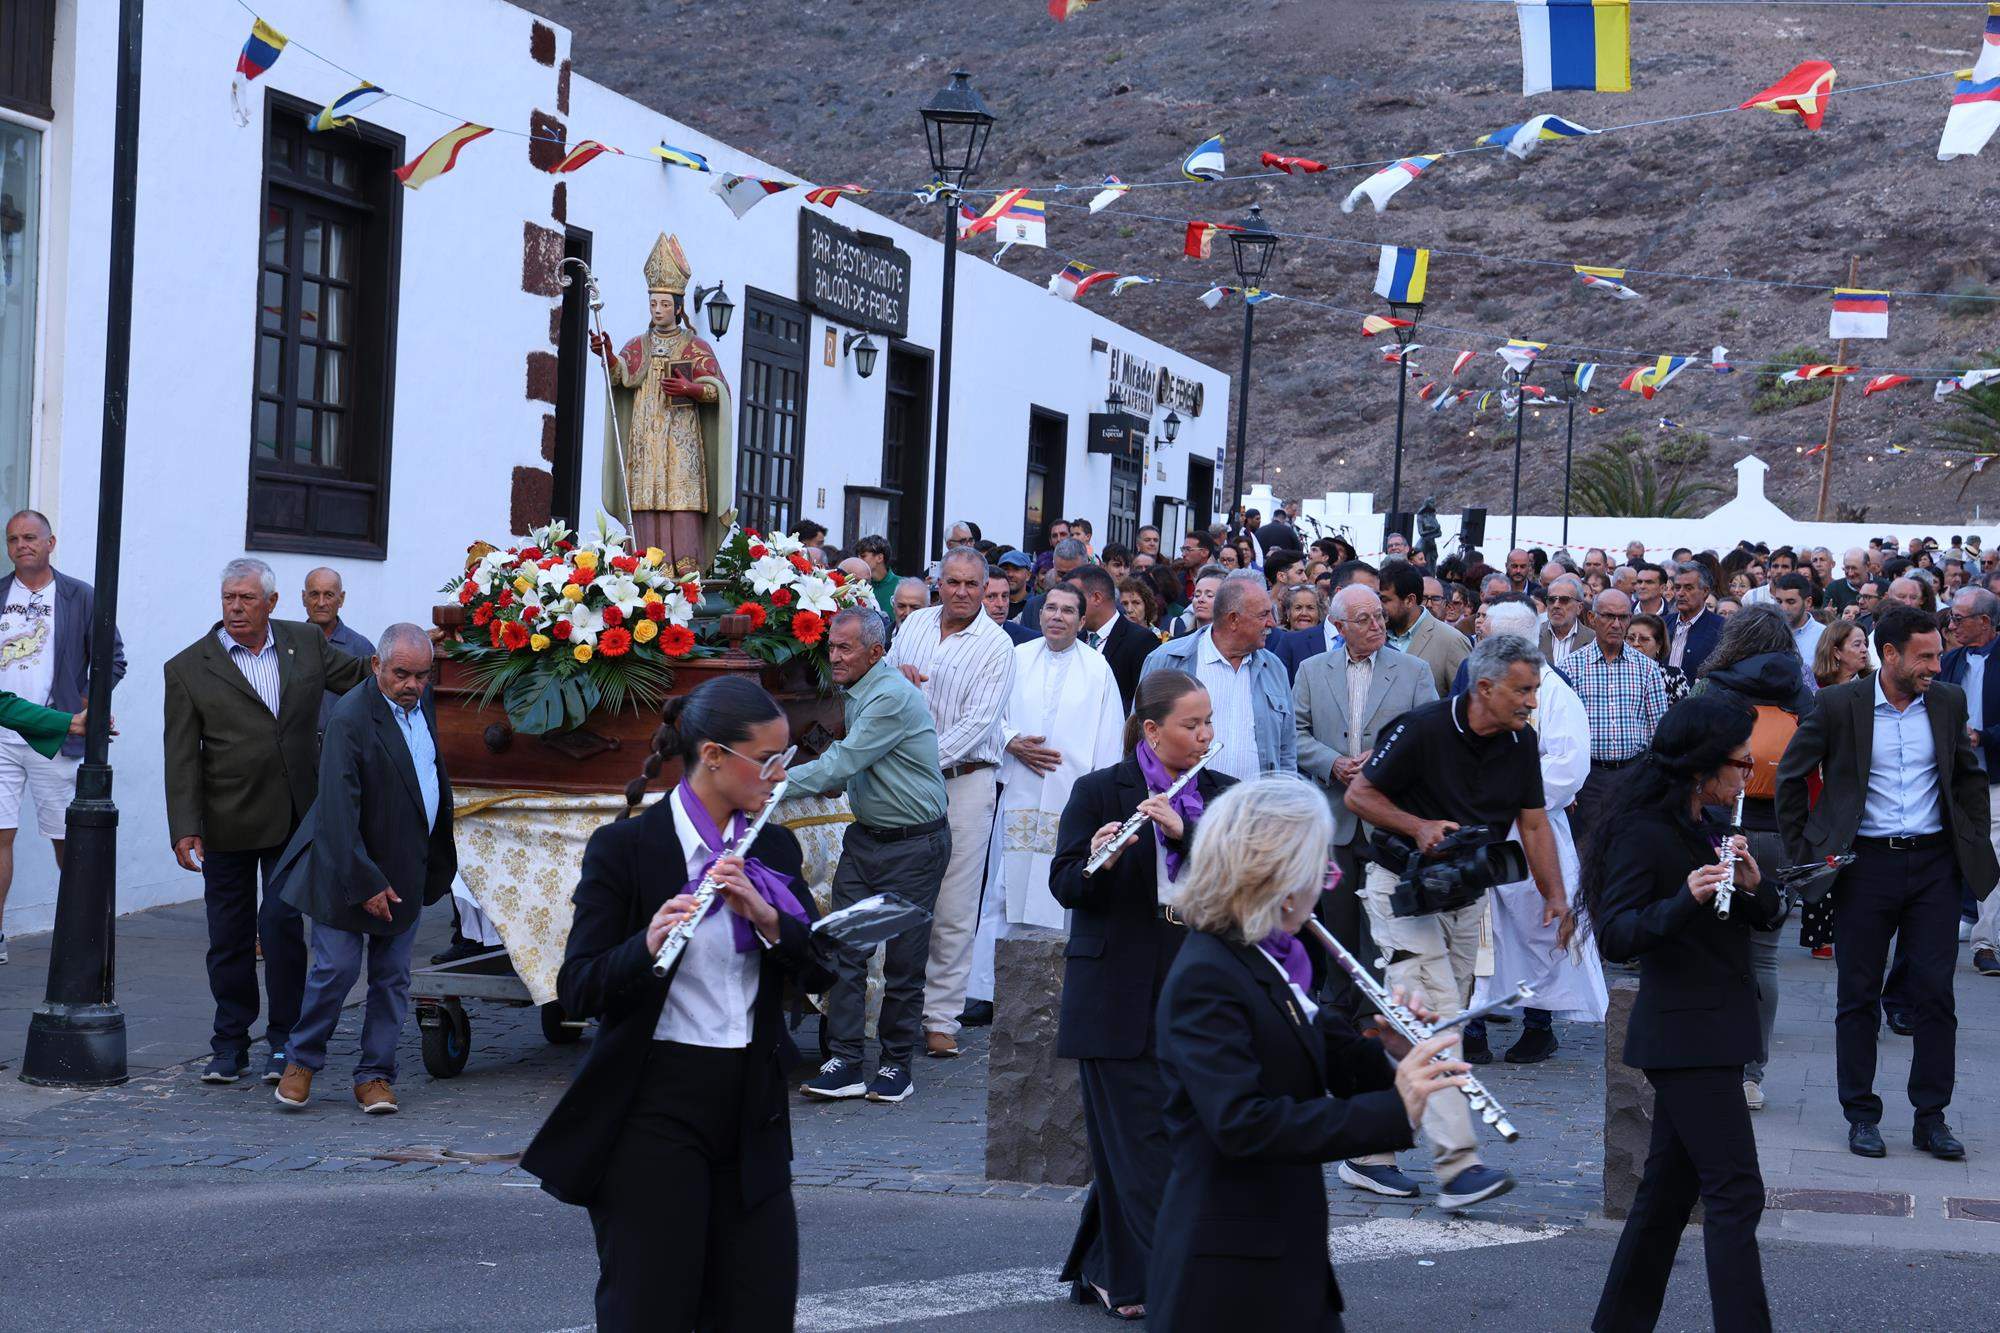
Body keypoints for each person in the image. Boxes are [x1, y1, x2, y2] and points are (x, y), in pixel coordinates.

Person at [520, 677, 830, 1332]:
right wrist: (647, 942)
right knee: (650, 1308)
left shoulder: (773, 847)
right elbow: (577, 987)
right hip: (653, 1106)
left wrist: (771, 918)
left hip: (753, 1105)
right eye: (766, 760)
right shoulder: (628, 848)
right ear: (714, 755)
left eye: (785, 760)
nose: (778, 775)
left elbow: (819, 969)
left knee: (759, 1309)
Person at [1146, 775, 1469, 1333]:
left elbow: (1318, 1049)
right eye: (1320, 870)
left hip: (1280, 1253)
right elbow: (1242, 1124)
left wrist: (1388, 1044)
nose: (1328, 885)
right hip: (1227, 1274)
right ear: (1278, 878)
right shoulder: (1209, 975)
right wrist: (1397, 1106)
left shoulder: (1276, 956)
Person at [1340, 634, 1569, 1209]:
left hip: (1468, 897)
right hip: (1402, 891)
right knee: (1436, 1020)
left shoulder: (1521, 742)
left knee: (1427, 1026)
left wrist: (1556, 897)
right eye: (1523, 690)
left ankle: (1368, 1152)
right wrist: (1418, 826)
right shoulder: (1421, 728)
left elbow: (1535, 825)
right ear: (1484, 688)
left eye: (1534, 689)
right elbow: (1359, 796)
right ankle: (1459, 1165)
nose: (1531, 702)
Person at [1584, 693, 1780, 1333]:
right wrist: (1682, 900)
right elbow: (1617, 934)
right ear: (1700, 764)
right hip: (1684, 1033)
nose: (1745, 776)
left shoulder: (1713, 826)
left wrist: (1752, 887)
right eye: (1738, 764)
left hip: (1718, 1024)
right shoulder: (1645, 831)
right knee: (1736, 1191)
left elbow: (1758, 916)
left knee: (1666, 1196)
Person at [1777, 604, 1996, 1161]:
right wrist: (1810, 853)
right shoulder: (1838, 704)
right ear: (1890, 654)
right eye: (1925, 657)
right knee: (1857, 994)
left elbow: (1967, 778)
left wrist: (1970, 844)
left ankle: (1932, 1117)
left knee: (1935, 994)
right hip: (1863, 866)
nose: (1935, 666)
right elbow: (1792, 774)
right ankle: (1861, 1114)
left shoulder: (1946, 702)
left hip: (1932, 867)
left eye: (1938, 655)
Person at [1050, 670, 1232, 1320]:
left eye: (1209, 721)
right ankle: (1150, 1279)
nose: (1206, 734)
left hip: (1197, 986)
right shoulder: (1101, 790)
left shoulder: (1224, 795)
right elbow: (1066, 883)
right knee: (1138, 1139)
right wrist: (1100, 856)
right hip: (1116, 985)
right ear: (1151, 729)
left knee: (1171, 1136)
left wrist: (1189, 834)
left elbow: (1248, 883)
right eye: (1192, 724)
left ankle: (1102, 1268)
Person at [164, 557, 369, 1085]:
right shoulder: (189, 667)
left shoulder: (304, 642)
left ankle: (285, 1040)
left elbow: (361, 678)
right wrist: (185, 825)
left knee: (280, 926)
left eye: (247, 598)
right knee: (228, 937)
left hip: (295, 816)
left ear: (271, 603)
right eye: (229, 598)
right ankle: (229, 1042)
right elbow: (182, 754)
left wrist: (409, 657)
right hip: (226, 819)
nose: (235, 607)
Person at [271, 624, 454, 1115]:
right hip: (345, 864)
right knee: (336, 969)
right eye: (401, 674)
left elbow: (426, 776)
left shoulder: (423, 702)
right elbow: (336, 811)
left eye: (421, 675)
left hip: (406, 864)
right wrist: (366, 880)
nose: (412, 685)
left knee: (392, 977)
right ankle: (302, 1060)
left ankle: (375, 1074)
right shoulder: (352, 717)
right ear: (376, 666)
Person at [1292, 584, 1436, 1143]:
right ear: (1340, 625)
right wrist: (1334, 765)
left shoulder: (1414, 671)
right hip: (1333, 814)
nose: (1376, 625)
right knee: (1334, 925)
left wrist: (1376, 767)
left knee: (1382, 927)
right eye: (1363, 619)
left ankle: (1378, 1024)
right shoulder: (1311, 671)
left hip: (1386, 815)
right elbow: (1297, 735)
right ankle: (1338, 1022)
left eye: (1379, 616)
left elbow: (1422, 734)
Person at [788, 608, 950, 1101]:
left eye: (844, 649)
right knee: (845, 952)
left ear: (875, 653)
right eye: (831, 646)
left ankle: (896, 1065)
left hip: (914, 846)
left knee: (903, 961)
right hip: (866, 840)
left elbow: (843, 761)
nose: (833, 657)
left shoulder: (890, 696)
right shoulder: (862, 689)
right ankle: (847, 1062)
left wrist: (769, 783)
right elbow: (850, 767)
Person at [965, 583, 1123, 1023]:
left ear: (1082, 618)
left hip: (1070, 797)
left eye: (1067, 610)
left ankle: (1051, 987)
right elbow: (987, 717)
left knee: (1059, 892)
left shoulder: (1098, 670)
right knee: (1003, 888)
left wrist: (1102, 800)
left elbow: (1110, 739)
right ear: (1040, 614)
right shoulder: (1014, 659)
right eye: (1050, 608)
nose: (1057, 616)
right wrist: (1012, 742)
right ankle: (985, 990)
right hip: (1018, 790)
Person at [881, 550, 1014, 1060]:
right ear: (938, 582)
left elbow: (980, 724)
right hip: (903, 779)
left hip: (963, 781)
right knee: (900, 892)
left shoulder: (997, 646)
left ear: (986, 589)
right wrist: (899, 678)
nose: (961, 592)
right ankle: (891, 1008)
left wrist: (915, 759)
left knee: (954, 903)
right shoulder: (913, 625)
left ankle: (941, 1018)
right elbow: (884, 682)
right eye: (952, 582)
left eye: (971, 585)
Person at [1461, 611, 1606, 1070]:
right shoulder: (1477, 689)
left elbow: (1570, 764)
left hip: (1532, 832)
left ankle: (1538, 1027)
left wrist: (1511, 794)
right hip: (1479, 828)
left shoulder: (1555, 695)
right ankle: (1474, 1025)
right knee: (1481, 931)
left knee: (1539, 930)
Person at [1692, 604, 1815, 1111]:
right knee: (1764, 957)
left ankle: (1710, 1058)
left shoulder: (1713, 687)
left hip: (1719, 829)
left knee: (1710, 949)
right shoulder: (1803, 695)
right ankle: (1751, 1073)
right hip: (1783, 834)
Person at [0, 508, 125, 965]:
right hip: (1, 735)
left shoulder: (79, 597)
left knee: (65, 837)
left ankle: (84, 932)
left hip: (55, 734)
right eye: (13, 539)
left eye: (31, 537)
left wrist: (88, 707)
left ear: (51, 543)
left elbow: (112, 658)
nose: (22, 546)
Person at [1141, 572, 1294, 781]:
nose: (1272, 623)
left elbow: (1286, 750)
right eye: (1263, 615)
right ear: (1233, 620)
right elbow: (1140, 738)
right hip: (1183, 806)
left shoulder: (1274, 669)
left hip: (1256, 807)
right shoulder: (1167, 660)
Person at [1568, 589, 1670, 852]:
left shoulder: (1647, 668)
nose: (1616, 624)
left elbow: (1659, 730)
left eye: (1623, 617)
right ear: (1592, 618)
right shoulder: (1571, 667)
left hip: (1632, 774)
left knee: (1630, 849)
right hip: (1588, 778)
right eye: (1608, 616)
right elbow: (1564, 731)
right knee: (1586, 850)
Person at [1941, 588, 2000, 978]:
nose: (1951, 625)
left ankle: (1986, 943)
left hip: (1995, 776)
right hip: (1953, 777)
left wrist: (1984, 736)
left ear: (1985, 621)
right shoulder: (1948, 661)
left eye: (1959, 618)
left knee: (1991, 854)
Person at [1381, 558, 1470, 697]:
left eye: (1385, 600)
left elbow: (1465, 702)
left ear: (1409, 600)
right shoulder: (1375, 635)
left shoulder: (1451, 641)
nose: (1379, 606)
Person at [1073, 564, 1154, 711]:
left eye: (1075, 598)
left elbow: (1144, 703)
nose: (1070, 604)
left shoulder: (1141, 640)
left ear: (1097, 598)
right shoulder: (1075, 638)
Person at [1665, 565, 1722, 678]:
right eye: (1677, 587)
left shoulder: (1721, 628)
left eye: (1688, 588)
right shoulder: (1662, 624)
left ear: (1705, 591)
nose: (1680, 593)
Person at [1627, 613, 1688, 703]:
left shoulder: (1675, 677)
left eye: (1644, 639)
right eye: (1630, 638)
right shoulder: (1613, 672)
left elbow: (1683, 714)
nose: (1635, 644)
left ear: (1659, 645)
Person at [1540, 572, 1595, 670]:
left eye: (1564, 600)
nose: (1556, 605)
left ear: (1579, 607)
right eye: (1552, 599)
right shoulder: (1533, 635)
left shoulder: (1593, 639)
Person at [982, 569, 1037, 646]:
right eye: (991, 597)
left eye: (1004, 596)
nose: (1000, 604)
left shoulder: (1031, 641)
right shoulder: (961, 634)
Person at [1167, 566, 1223, 639]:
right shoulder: (1176, 643)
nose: (1200, 599)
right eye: (1197, 595)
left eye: (1209, 595)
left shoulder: (1235, 644)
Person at [853, 535, 898, 617]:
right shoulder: (855, 585)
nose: (858, 560)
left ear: (880, 558)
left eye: (863, 556)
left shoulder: (901, 585)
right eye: (857, 557)